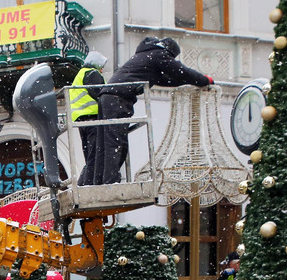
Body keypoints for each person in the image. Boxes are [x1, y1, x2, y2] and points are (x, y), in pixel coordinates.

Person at [90, 37, 213, 184]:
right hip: (118, 99)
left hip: (107, 97)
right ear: (169, 52)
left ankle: (97, 182)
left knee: (104, 144)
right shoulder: (158, 55)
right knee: (116, 144)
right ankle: (109, 183)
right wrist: (205, 80)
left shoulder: (145, 57)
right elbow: (181, 71)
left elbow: (170, 79)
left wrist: (192, 81)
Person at [71, 51, 108, 185]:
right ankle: (87, 183)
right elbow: (101, 94)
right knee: (95, 154)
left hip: (81, 119)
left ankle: (85, 183)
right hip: (92, 118)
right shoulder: (92, 74)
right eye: (101, 66)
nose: (102, 70)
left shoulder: (80, 75)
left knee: (89, 154)